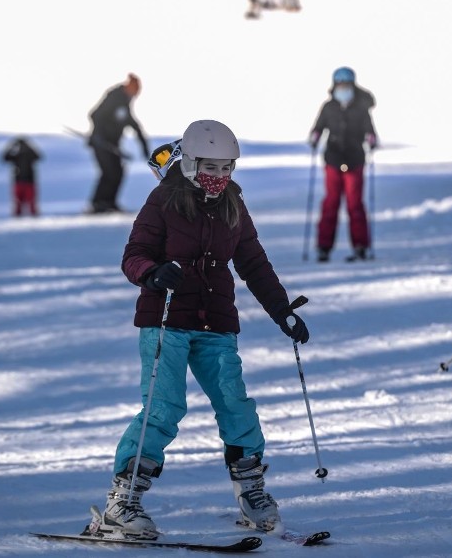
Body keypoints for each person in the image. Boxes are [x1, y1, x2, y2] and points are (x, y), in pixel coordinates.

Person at [89, 119, 310, 541]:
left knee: (236, 404)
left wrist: (282, 310)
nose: (221, 176)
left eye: (228, 168)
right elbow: (134, 254)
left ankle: (251, 492)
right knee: (163, 407)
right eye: (212, 166)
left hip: (215, 321)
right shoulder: (163, 201)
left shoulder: (232, 204)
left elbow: (253, 263)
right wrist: (152, 273)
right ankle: (123, 500)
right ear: (189, 163)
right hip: (166, 320)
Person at [308, 66, 378, 262]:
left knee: (355, 204)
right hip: (333, 160)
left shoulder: (361, 109)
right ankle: (324, 247)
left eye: (346, 84)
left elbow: (370, 131)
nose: (343, 88)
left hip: (355, 160)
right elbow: (318, 127)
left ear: (353, 85)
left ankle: (360, 246)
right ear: (334, 85)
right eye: (340, 84)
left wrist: (372, 139)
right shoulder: (328, 107)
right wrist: (314, 137)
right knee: (331, 203)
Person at [87, 73, 150, 214]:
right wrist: (98, 135)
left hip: (112, 145)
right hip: (101, 144)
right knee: (109, 172)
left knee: (117, 172)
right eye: (135, 90)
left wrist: (144, 147)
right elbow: (94, 115)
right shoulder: (114, 97)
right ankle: (98, 204)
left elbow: (134, 125)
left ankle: (109, 202)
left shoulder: (125, 104)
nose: (136, 94)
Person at [1, 136, 42, 217]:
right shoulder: (16, 156)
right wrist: (12, 146)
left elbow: (38, 157)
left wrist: (13, 146)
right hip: (19, 182)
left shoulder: (29, 155)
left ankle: (33, 218)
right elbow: (5, 158)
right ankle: (18, 218)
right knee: (18, 203)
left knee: (31, 203)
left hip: (28, 182)